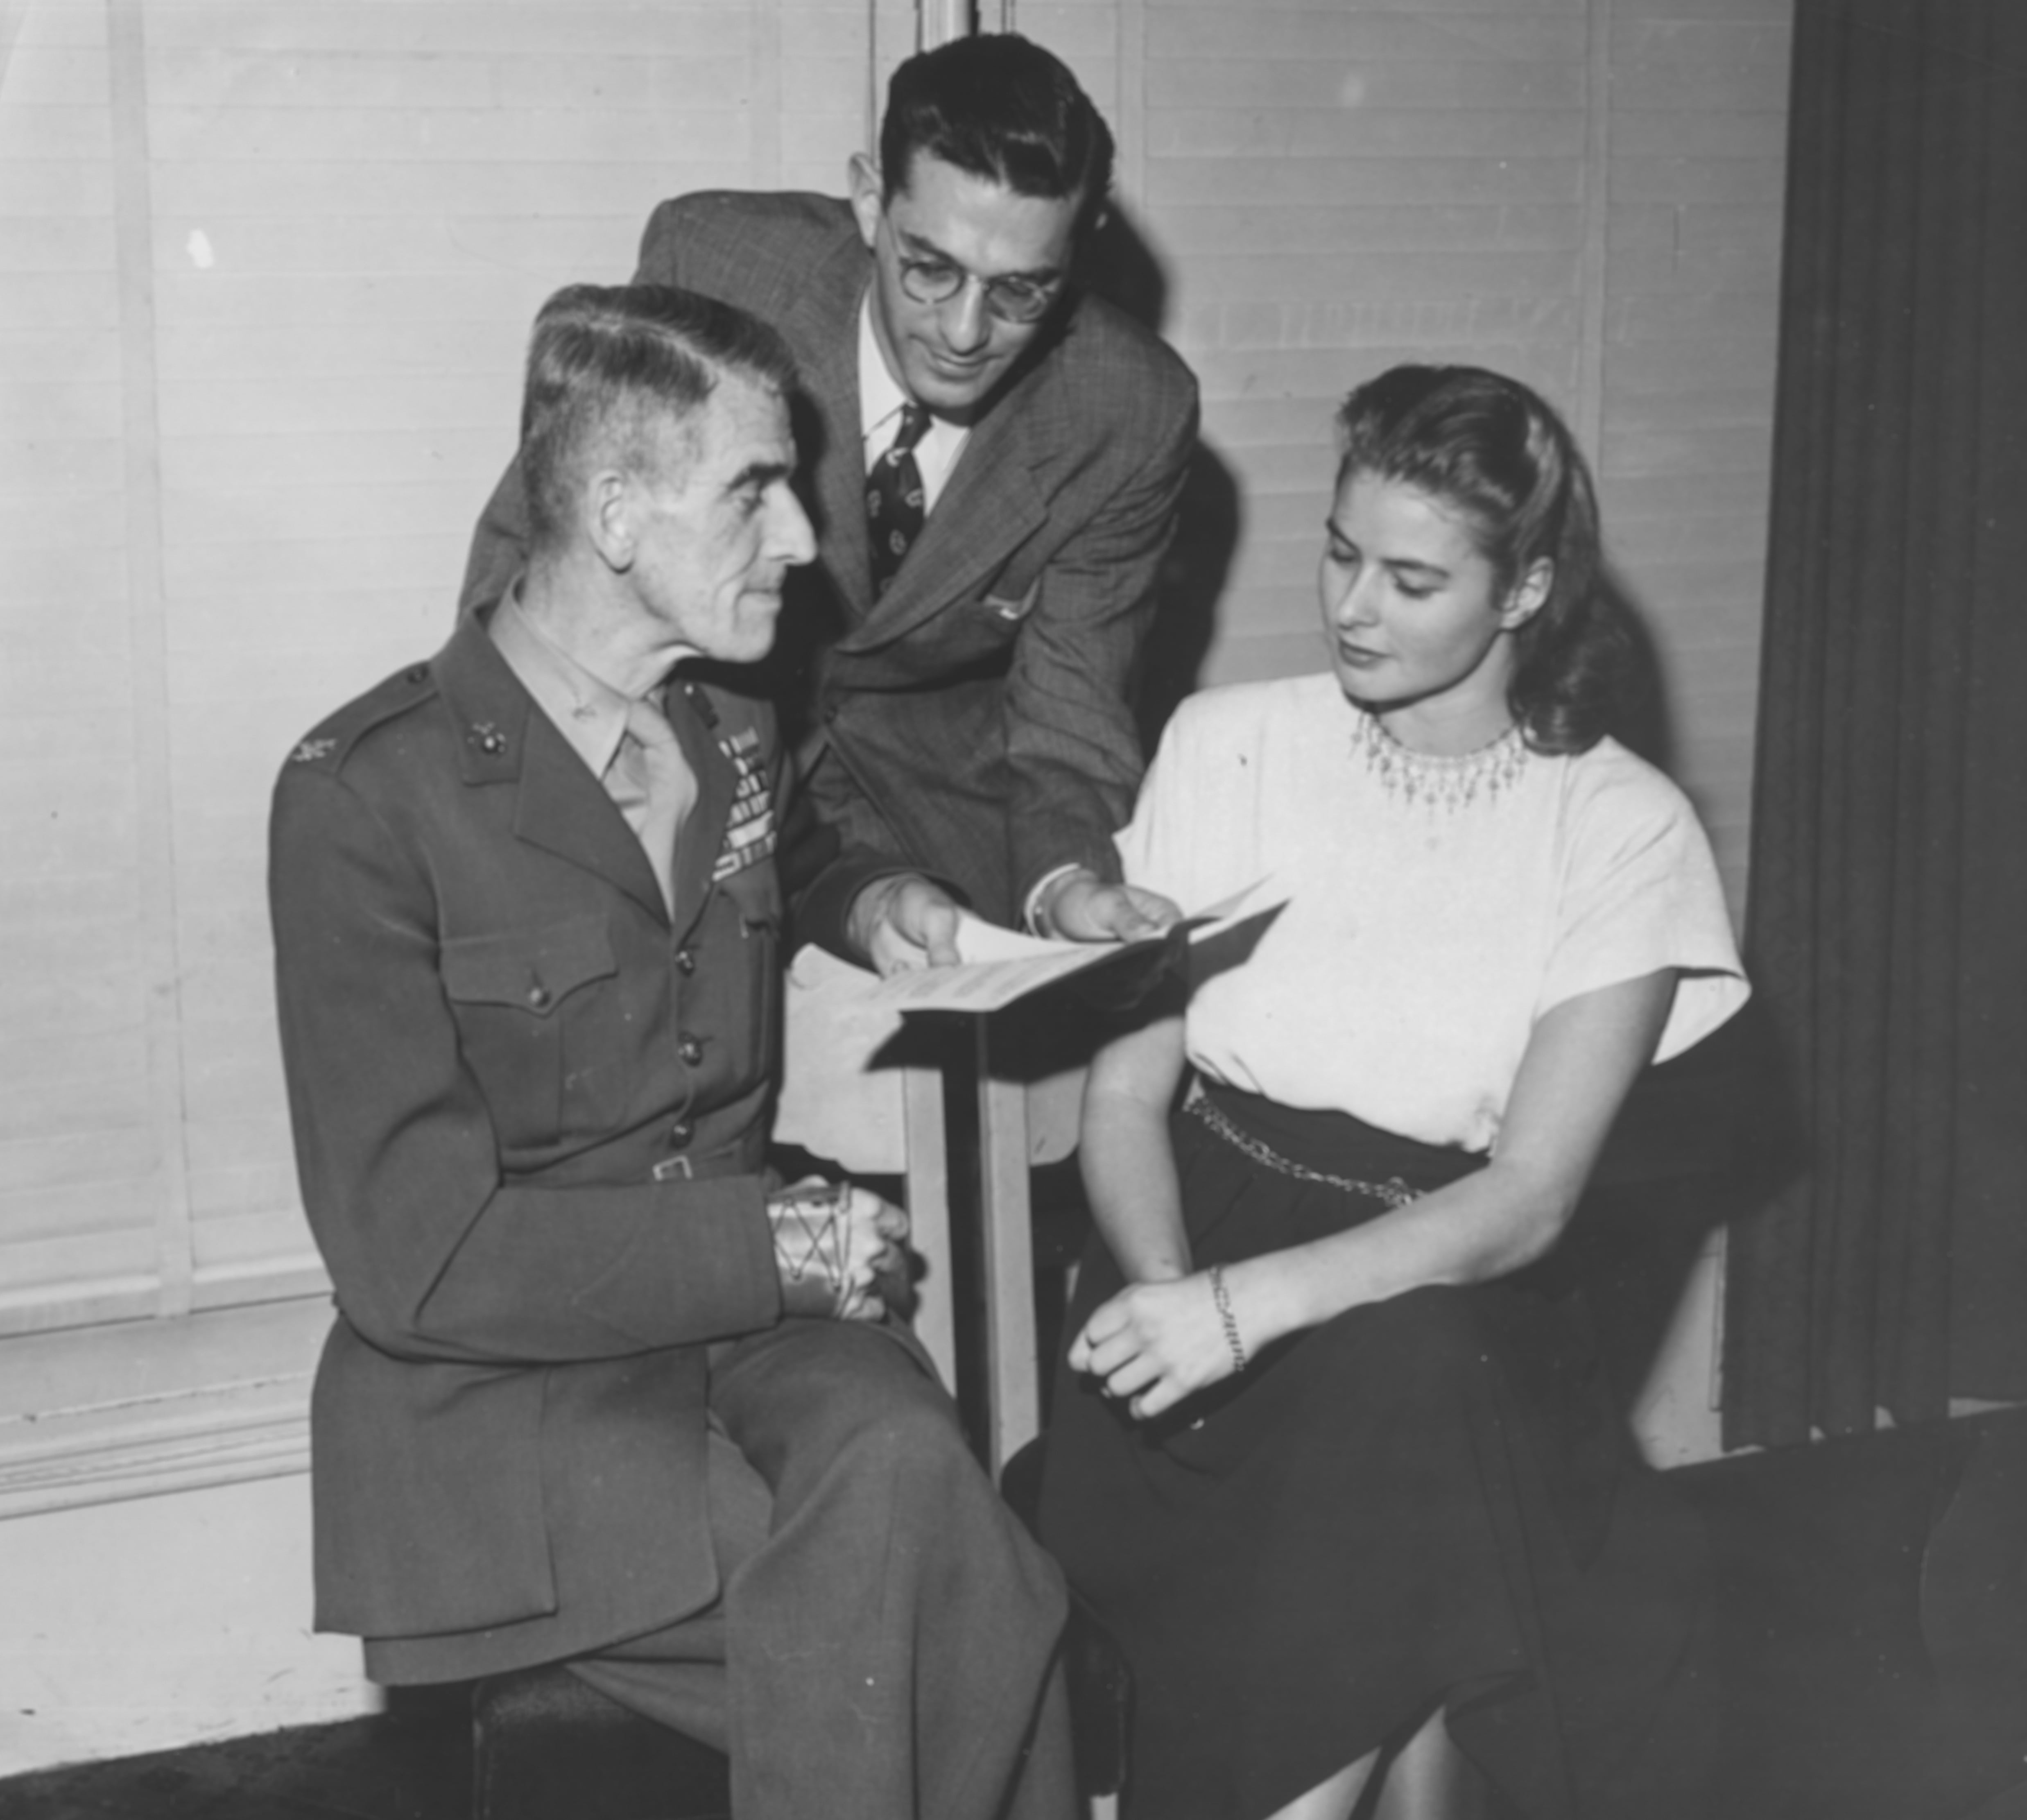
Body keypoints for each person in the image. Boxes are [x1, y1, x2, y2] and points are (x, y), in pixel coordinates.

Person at [269, 283, 1073, 1820]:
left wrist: (875, 899)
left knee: (913, 1478)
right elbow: (413, 1265)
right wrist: (770, 1246)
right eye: (755, 491)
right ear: (618, 517)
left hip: (750, 1339)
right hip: (506, 1393)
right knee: (970, 1600)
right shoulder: (366, 799)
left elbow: (785, 855)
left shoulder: (726, 720)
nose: (805, 540)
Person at [1035, 366, 1751, 1820]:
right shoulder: (1227, 741)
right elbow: (1122, 1097)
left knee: (1416, 1382)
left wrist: (1244, 1312)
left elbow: (1527, 1199)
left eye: (1412, 580)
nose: (1352, 608)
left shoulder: (1620, 826)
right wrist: (1177, 1303)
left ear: (1525, 589)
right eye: (1339, 552)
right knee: (1406, 1507)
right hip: (1182, 1248)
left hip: (1451, 1288)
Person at [459, 32, 1199, 947]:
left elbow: (1072, 716)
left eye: (1021, 293)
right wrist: (511, 802)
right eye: (931, 267)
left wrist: (1066, 889)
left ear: (1078, 255)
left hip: (945, 822)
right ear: (870, 202)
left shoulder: (1130, 409)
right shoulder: (719, 269)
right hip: (702, 760)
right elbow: (537, 553)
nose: (965, 332)